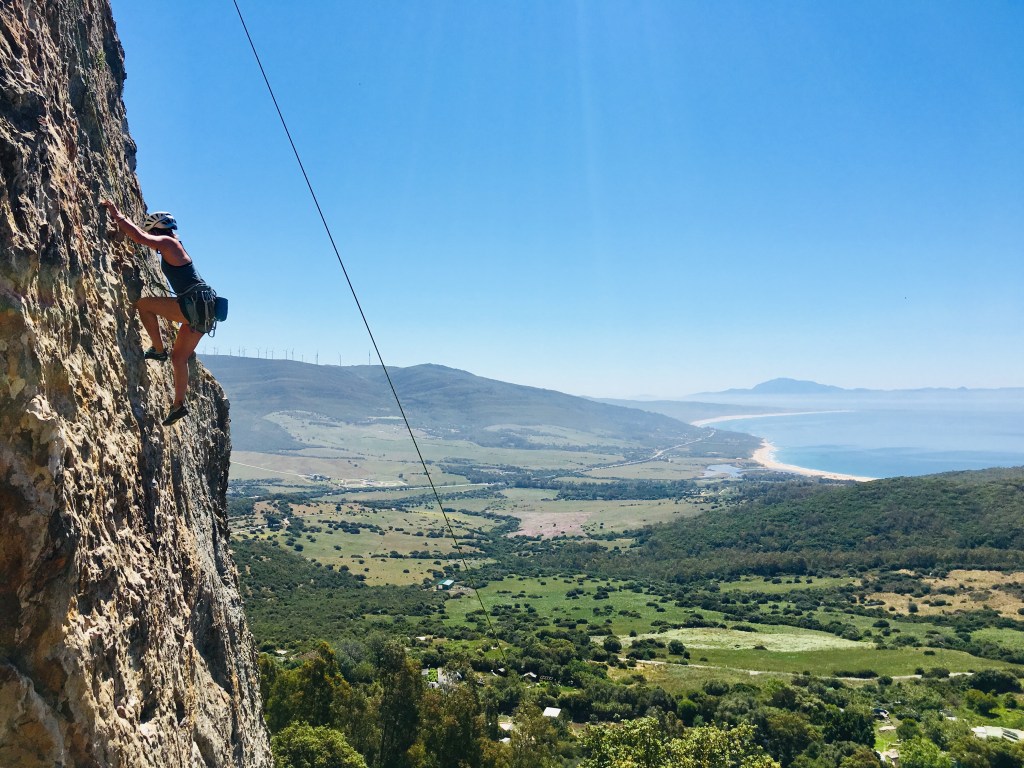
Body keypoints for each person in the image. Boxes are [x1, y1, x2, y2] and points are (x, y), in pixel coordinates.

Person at [101, 200, 216, 426]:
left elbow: (141, 239)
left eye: (152, 231)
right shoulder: (177, 244)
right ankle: (178, 404)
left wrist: (117, 216)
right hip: (205, 309)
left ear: (157, 229)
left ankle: (159, 349)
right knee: (179, 358)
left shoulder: (167, 243)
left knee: (144, 305)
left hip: (192, 303)